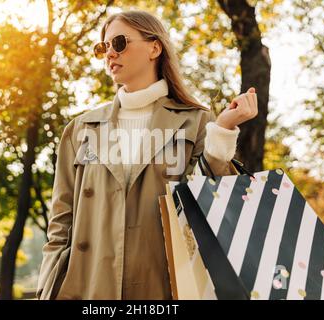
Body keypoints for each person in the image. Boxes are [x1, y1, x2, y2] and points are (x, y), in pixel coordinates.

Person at [37, 9, 258, 300]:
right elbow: (60, 227)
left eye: (119, 43)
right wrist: (46, 288)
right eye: (103, 47)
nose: (109, 54)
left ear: (155, 47)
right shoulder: (79, 128)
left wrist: (223, 131)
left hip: (165, 286)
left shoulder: (196, 121)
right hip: (87, 289)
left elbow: (209, 205)